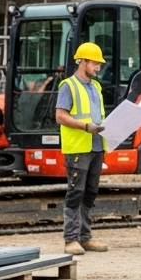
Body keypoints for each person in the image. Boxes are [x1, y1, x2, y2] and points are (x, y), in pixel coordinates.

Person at [55, 42, 111, 256]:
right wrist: (86, 127)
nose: (98, 67)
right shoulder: (68, 86)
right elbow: (60, 116)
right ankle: (71, 239)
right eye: (95, 63)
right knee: (75, 192)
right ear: (83, 62)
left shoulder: (96, 87)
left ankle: (85, 237)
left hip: (96, 147)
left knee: (90, 193)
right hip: (78, 148)